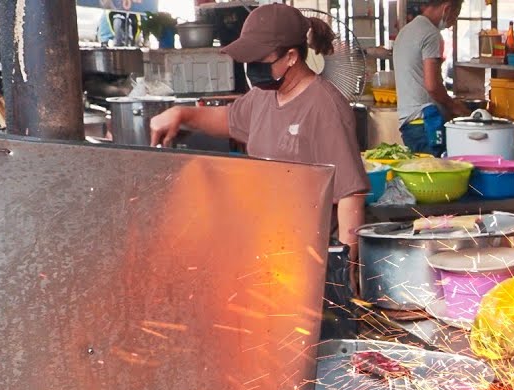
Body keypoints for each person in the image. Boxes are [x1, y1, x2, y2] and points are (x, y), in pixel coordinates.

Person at [148, 4, 369, 276]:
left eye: (259, 60)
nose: (252, 69)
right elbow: (229, 120)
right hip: (266, 247)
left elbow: (351, 196)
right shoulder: (264, 94)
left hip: (308, 260)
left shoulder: (325, 108)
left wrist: (344, 273)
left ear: (291, 56)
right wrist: (182, 114)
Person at [394, 0, 470, 154]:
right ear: (447, 8)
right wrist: (454, 106)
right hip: (425, 123)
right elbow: (432, 85)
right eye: (455, 15)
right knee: (436, 174)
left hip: (408, 122)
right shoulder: (431, 34)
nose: (453, 22)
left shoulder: (406, 31)